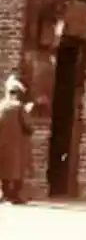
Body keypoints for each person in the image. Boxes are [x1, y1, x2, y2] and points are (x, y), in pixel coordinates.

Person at [0, 76, 34, 204]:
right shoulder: (19, 108)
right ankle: (14, 196)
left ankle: (5, 194)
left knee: (4, 171)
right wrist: (27, 112)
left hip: (3, 145)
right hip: (16, 147)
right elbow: (28, 126)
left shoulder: (1, 106)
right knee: (17, 171)